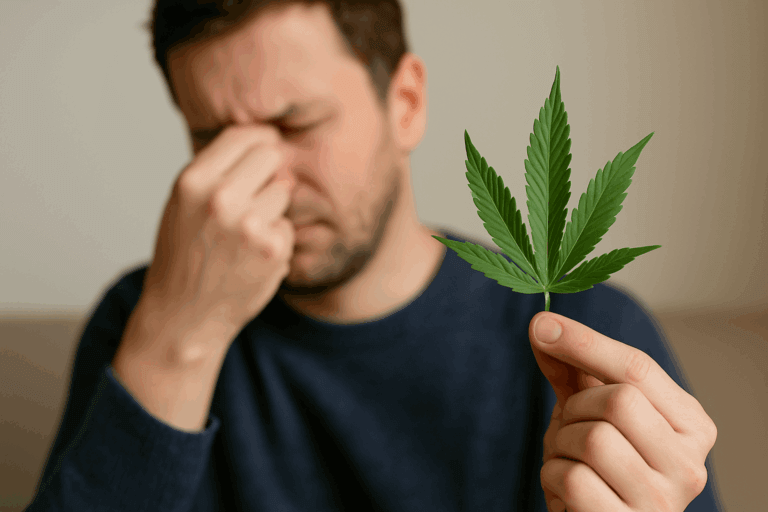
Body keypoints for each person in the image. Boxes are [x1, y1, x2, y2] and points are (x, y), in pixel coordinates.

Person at [25, 1, 725, 511]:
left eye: (295, 123)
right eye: (211, 138)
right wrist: (177, 340)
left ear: (406, 102)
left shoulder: (586, 328)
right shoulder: (143, 321)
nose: (256, 182)